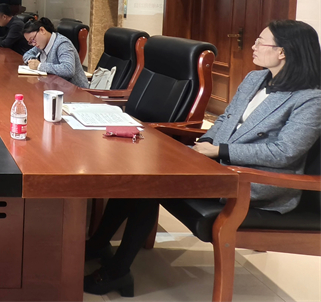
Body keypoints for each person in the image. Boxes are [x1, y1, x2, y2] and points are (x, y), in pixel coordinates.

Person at [83, 20, 321, 297]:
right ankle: (100, 243)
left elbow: (284, 152)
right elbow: (226, 118)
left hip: (256, 180)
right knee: (138, 175)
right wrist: (207, 142)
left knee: (150, 186)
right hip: (221, 164)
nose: (253, 46)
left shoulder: (310, 99)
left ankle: (117, 272)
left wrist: (220, 151)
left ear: (283, 51)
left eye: (260, 41)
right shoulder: (255, 79)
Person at [22, 17, 89, 88]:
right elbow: (27, 54)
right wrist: (32, 61)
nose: (33, 44)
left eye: (33, 39)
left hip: (75, 91)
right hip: (54, 87)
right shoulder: (41, 44)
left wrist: (39, 66)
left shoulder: (62, 44)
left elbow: (68, 69)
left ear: (42, 30)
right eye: (30, 42)